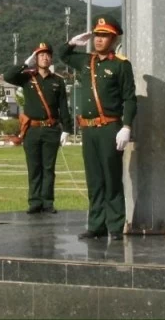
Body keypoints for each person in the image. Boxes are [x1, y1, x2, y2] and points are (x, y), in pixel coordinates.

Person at [60, 16, 136, 241]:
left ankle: (115, 225)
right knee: (94, 179)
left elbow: (130, 98)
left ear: (113, 39)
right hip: (89, 129)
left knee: (111, 177)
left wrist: (126, 126)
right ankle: (96, 225)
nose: (99, 40)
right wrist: (72, 43)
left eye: (104, 36)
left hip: (109, 127)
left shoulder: (120, 65)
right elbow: (63, 56)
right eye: (97, 35)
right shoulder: (86, 61)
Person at [5, 41, 72, 215]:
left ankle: (47, 201)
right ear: (36, 58)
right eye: (41, 55)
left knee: (48, 168)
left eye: (47, 55)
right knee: (34, 167)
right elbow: (8, 76)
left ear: (51, 58)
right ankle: (35, 201)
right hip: (32, 129)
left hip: (51, 129)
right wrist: (24, 64)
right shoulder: (27, 77)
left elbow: (63, 106)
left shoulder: (58, 81)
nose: (44, 58)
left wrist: (67, 129)